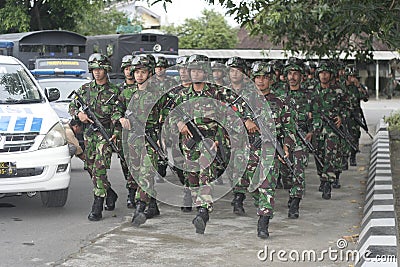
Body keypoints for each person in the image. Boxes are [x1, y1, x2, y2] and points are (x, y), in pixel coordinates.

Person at [69, 53, 120, 221]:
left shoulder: (115, 92)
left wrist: (115, 133)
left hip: (106, 135)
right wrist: (79, 114)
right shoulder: (85, 90)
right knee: (90, 167)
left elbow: (119, 114)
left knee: (99, 168)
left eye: (100, 69)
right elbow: (72, 106)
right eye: (94, 69)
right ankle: (110, 193)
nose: (97, 72)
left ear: (106, 70)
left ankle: (98, 204)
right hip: (89, 135)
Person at [117, 54, 166, 227]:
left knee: (146, 173)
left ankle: (140, 208)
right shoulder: (128, 93)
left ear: (150, 73)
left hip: (150, 138)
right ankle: (152, 204)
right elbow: (117, 109)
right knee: (137, 175)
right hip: (133, 140)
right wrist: (121, 119)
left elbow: (170, 115)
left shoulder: (158, 94)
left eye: (143, 72)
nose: (139, 75)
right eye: (136, 71)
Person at [249, 61, 295, 238]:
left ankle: (263, 223)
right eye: (257, 77)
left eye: (265, 78)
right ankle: (261, 208)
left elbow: (290, 129)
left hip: (270, 151)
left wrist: (286, 146)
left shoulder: (281, 102)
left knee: (267, 187)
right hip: (248, 153)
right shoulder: (245, 100)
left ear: (271, 80)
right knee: (253, 187)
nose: (261, 81)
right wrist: (246, 122)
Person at [310, 61, 346, 200]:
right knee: (319, 155)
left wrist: (340, 117)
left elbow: (346, 107)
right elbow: (306, 107)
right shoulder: (312, 90)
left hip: (332, 129)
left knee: (330, 155)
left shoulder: (338, 91)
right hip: (316, 128)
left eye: (326, 73)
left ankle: (327, 184)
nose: (324, 76)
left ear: (330, 75)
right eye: (321, 73)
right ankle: (322, 177)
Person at [281, 57, 310, 219]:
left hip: (299, 139)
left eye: (295, 74)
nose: (292, 77)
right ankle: (291, 193)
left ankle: (295, 203)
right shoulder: (279, 94)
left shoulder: (308, 95)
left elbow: (318, 115)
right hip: (283, 139)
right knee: (285, 173)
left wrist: (312, 131)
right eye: (290, 73)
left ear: (301, 76)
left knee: (298, 170)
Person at [114, 54, 139, 209]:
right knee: (126, 164)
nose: (129, 72)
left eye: (132, 68)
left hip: (141, 134)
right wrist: (120, 119)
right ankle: (131, 191)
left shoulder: (143, 88)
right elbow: (114, 111)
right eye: (127, 68)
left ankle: (137, 195)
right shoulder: (119, 90)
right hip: (124, 134)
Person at [343, 65, 369, 167]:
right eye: (350, 76)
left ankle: (352, 157)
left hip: (355, 116)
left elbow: (366, 98)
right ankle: (344, 159)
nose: (352, 78)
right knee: (343, 137)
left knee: (355, 136)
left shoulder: (357, 87)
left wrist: (358, 86)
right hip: (344, 116)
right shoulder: (341, 87)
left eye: (354, 76)